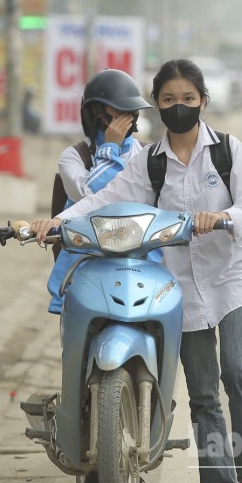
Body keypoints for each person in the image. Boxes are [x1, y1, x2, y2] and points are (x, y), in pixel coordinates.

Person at [31, 58, 242, 483]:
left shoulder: (229, 151)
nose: (178, 106)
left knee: (237, 372)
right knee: (203, 389)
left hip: (233, 277)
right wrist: (55, 222)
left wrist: (222, 217)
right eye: (168, 99)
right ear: (157, 105)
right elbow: (102, 199)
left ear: (203, 101)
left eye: (188, 98)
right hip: (179, 283)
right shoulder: (147, 161)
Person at [46, 69, 154, 314]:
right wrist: (110, 148)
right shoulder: (74, 156)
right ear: (96, 111)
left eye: (132, 110)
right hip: (86, 261)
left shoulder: (147, 153)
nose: (128, 117)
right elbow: (93, 196)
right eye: (119, 110)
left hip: (138, 259)